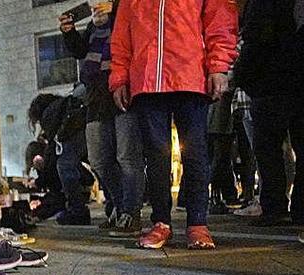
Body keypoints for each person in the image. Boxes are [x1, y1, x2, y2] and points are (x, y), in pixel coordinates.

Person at [110, 0, 238, 249]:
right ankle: (160, 222)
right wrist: (119, 78)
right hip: (147, 81)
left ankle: (198, 223)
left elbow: (219, 19)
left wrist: (219, 66)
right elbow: (122, 35)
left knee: (196, 152)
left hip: (190, 76)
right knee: (155, 156)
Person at [59, 0, 144, 237]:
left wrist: (115, 13)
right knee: (98, 159)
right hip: (96, 96)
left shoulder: (125, 14)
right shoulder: (96, 24)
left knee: (127, 156)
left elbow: (134, 41)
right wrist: (69, 32)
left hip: (123, 90)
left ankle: (131, 213)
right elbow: (81, 51)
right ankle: (119, 206)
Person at [235, 0, 304, 226]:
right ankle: (298, 208)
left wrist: (245, 78)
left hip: (269, 85)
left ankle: (274, 206)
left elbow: (254, 41)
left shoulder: (262, 5)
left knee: (268, 150)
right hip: (292, 83)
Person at [27, 92, 91, 225]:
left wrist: (39, 181)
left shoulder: (51, 116)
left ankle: (77, 211)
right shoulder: (63, 107)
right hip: (90, 129)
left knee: (64, 166)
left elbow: (53, 155)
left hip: (76, 143)